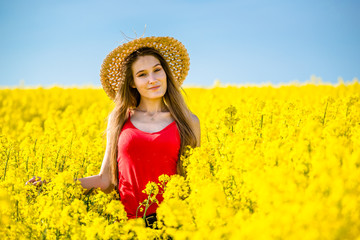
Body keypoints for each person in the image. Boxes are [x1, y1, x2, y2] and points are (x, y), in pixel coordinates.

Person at [26, 36, 201, 228]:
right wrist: (54, 186)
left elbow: (194, 181)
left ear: (165, 73)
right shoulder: (119, 119)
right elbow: (106, 180)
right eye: (142, 74)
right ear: (132, 82)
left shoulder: (188, 122)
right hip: (127, 227)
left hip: (173, 227)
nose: (152, 80)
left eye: (157, 70)